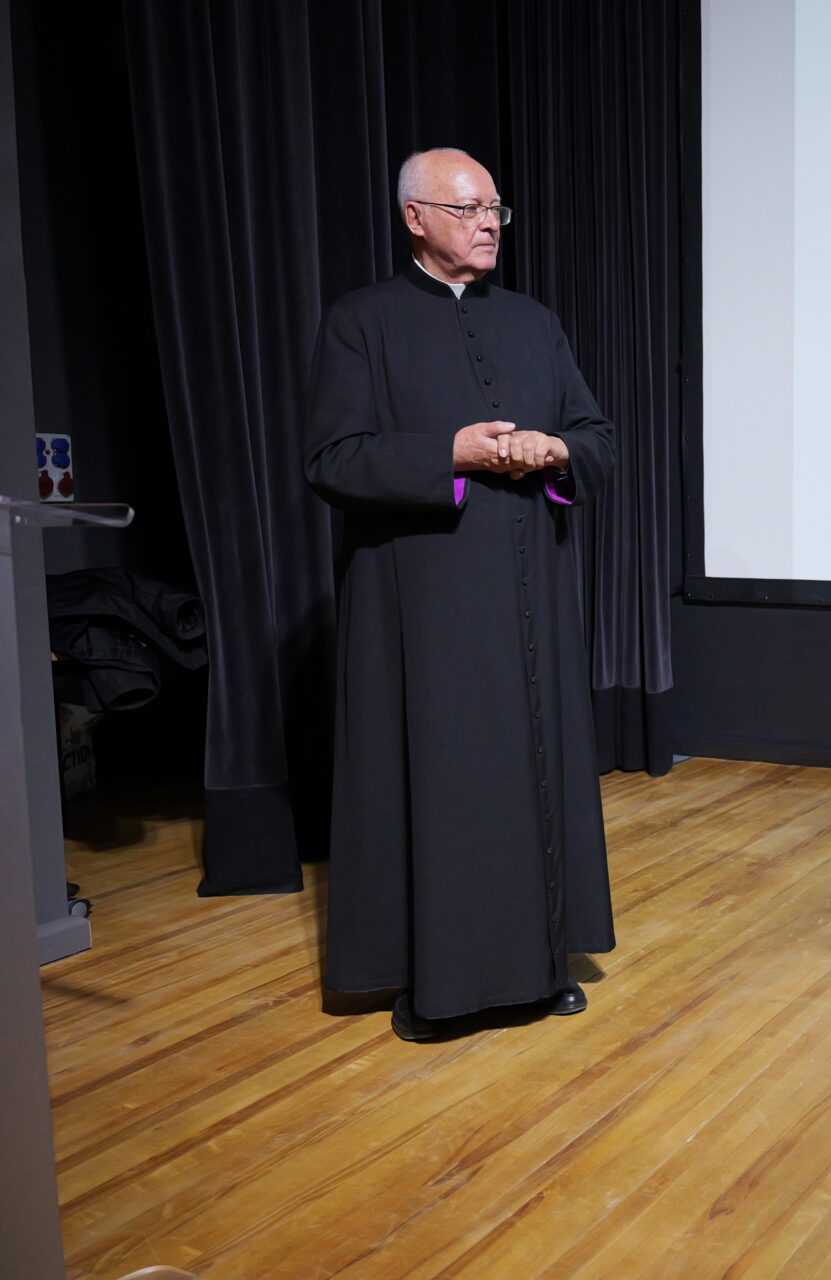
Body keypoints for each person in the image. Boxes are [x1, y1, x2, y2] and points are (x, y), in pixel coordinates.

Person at [304, 147, 617, 1042]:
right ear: (415, 218)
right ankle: (435, 982)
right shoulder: (361, 321)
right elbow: (332, 459)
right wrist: (453, 453)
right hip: (425, 608)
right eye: (468, 208)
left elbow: (596, 437)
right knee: (444, 785)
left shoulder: (533, 321)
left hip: (531, 601)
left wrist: (556, 449)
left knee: (534, 777)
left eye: (495, 210)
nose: (488, 225)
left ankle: (540, 966)